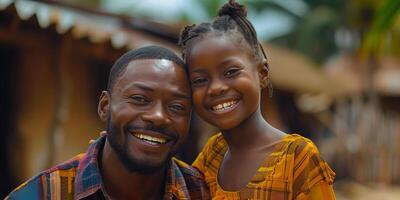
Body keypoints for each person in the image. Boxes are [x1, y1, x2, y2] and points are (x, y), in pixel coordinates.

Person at [178, 0, 336, 199]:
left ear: (262, 73)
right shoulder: (212, 155)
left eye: (231, 72)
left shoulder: (297, 158)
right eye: (200, 80)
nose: (216, 88)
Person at [7, 46, 210, 200]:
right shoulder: (42, 194)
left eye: (177, 107)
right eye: (140, 99)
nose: (158, 116)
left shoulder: (205, 193)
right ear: (105, 107)